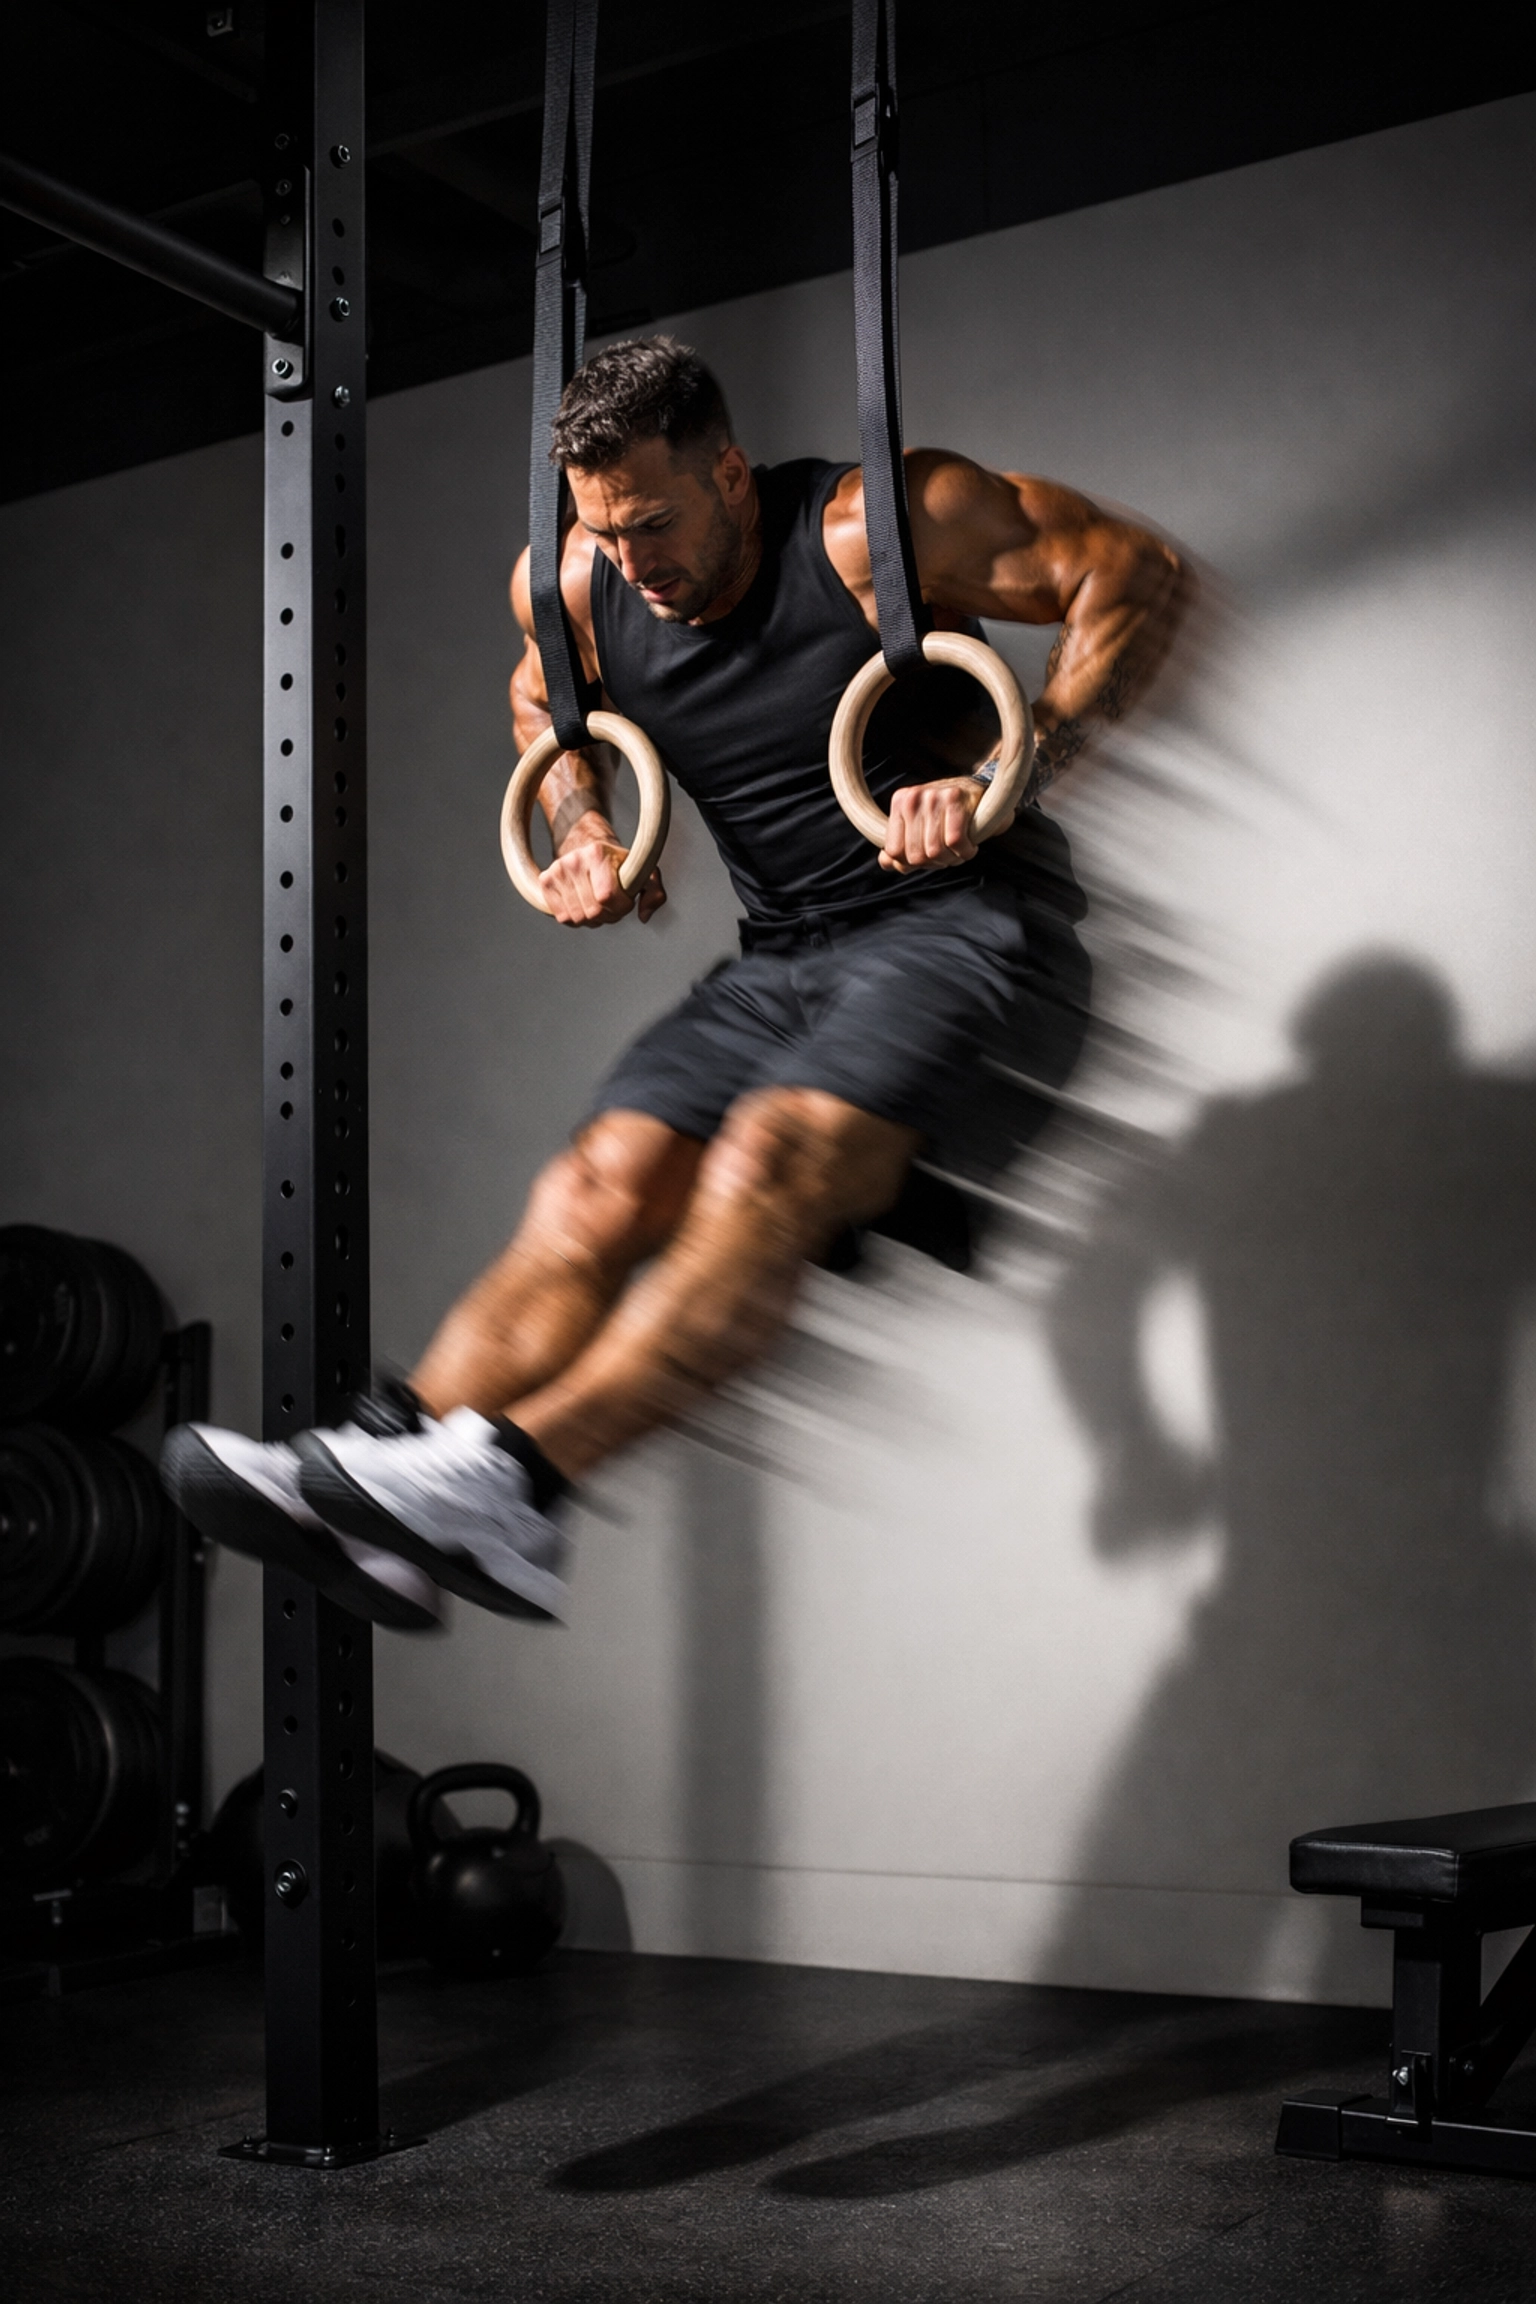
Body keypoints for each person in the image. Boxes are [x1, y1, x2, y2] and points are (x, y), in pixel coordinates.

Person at [164, 336, 1185, 1632]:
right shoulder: (577, 582)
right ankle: (373, 1482)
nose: (633, 560)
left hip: (966, 931)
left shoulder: (878, 527)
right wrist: (588, 824)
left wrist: (1014, 771)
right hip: (785, 959)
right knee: (599, 1184)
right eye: (606, 529)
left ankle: (516, 1485)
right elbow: (545, 705)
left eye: (654, 522)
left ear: (729, 475)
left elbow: (1134, 573)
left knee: (765, 1160)